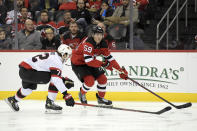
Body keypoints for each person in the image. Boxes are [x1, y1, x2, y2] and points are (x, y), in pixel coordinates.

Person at [5, 44, 75, 113]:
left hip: (24, 71)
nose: (68, 57)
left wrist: (61, 80)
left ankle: (13, 100)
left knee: (28, 88)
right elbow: (56, 80)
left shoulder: (53, 54)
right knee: (54, 78)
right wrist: (66, 94)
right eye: (68, 55)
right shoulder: (57, 61)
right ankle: (50, 103)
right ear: (64, 54)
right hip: (30, 72)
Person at [71, 26, 128, 105]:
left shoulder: (103, 44)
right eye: (97, 34)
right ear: (93, 35)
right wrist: (103, 64)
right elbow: (89, 61)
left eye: (100, 35)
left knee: (103, 79)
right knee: (90, 81)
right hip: (78, 63)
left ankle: (101, 99)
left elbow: (110, 59)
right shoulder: (88, 42)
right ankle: (82, 93)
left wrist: (120, 71)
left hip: (91, 61)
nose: (99, 37)